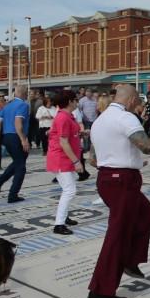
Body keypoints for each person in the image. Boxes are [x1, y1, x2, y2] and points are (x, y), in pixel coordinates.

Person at [87, 84, 150, 298]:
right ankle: (100, 290)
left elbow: (92, 158)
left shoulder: (100, 121)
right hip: (121, 181)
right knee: (117, 236)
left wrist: (121, 161)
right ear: (132, 100)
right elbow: (147, 147)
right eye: (139, 102)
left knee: (146, 213)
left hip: (108, 179)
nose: (140, 106)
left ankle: (130, 261)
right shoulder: (126, 118)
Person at [47, 90, 84, 235]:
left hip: (64, 158)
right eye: (75, 99)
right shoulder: (63, 117)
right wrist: (76, 161)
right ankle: (59, 224)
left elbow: (67, 135)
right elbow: (63, 142)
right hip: (60, 159)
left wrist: (80, 133)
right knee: (70, 190)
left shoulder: (69, 116)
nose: (77, 102)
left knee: (68, 186)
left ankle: (64, 216)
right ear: (69, 101)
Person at [0, 85, 31, 203]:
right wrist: (23, 139)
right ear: (24, 93)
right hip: (16, 137)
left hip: (7, 137)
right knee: (20, 167)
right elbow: (18, 123)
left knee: (18, 162)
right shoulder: (23, 105)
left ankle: (0, 181)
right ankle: (13, 195)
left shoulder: (7, 106)